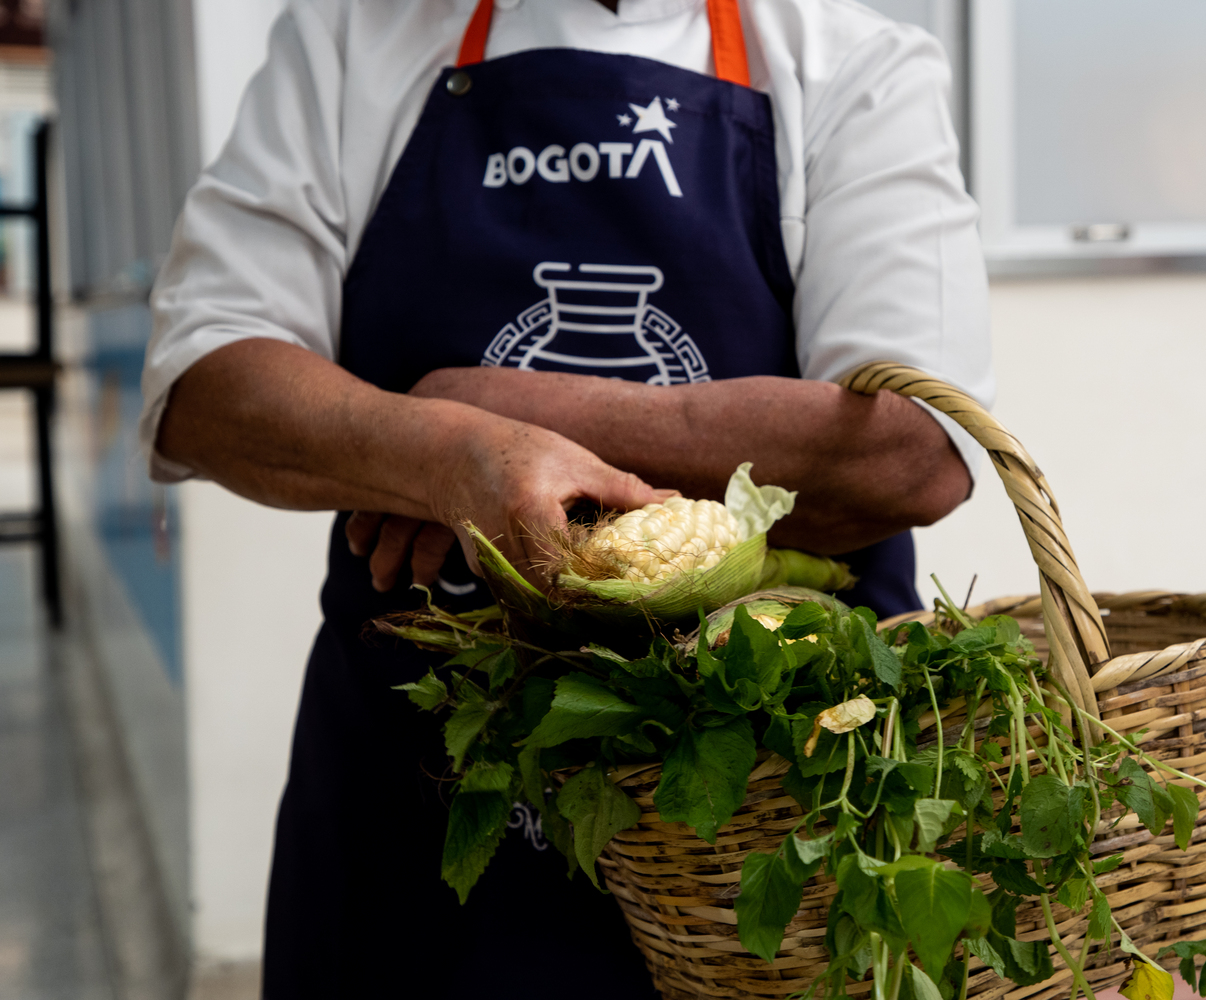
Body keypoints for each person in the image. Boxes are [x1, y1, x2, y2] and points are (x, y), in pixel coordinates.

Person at [142, 0, 994, 994]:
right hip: (423, 805)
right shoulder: (352, 42)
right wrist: (446, 450)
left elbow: (909, 452)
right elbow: (207, 382)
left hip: (767, 828)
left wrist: (491, 399)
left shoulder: (853, 66)